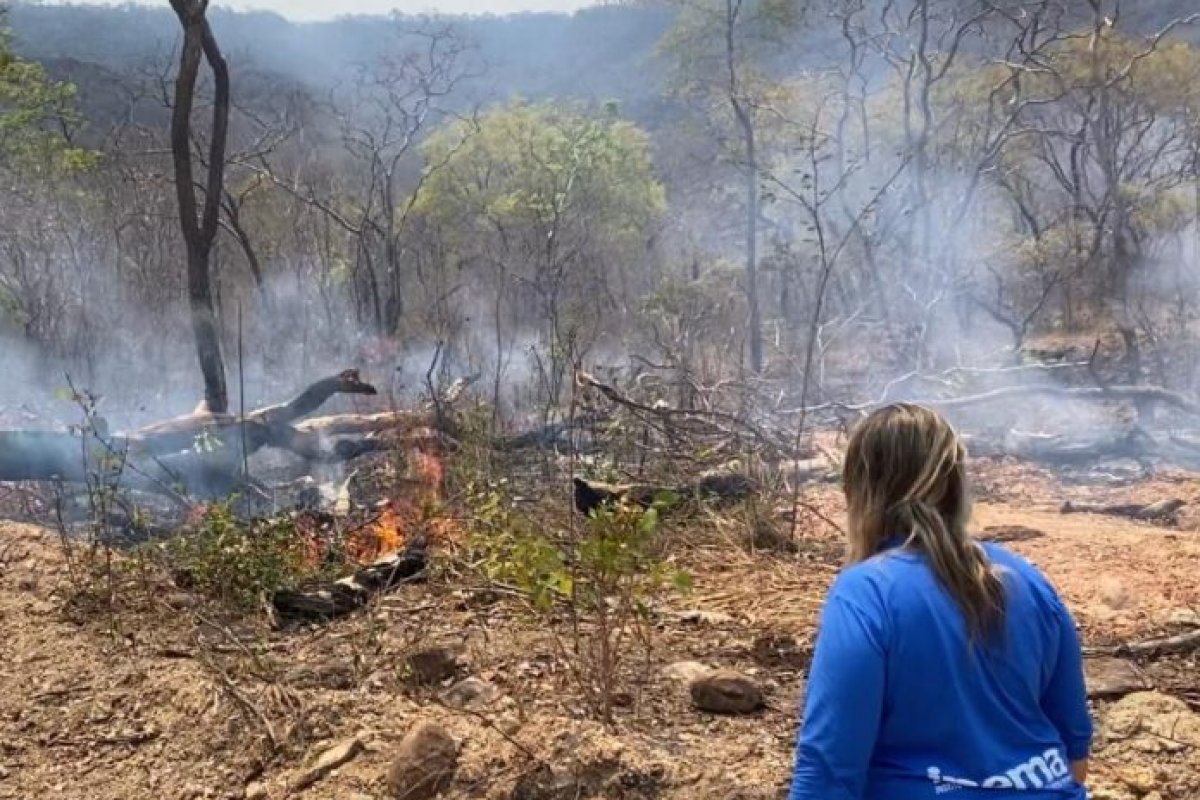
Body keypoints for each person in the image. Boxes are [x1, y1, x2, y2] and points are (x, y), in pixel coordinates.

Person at [788, 403, 1093, 800]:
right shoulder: (1031, 581)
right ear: (955, 485)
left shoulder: (865, 594)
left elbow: (828, 771)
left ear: (861, 491)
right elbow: (1076, 754)